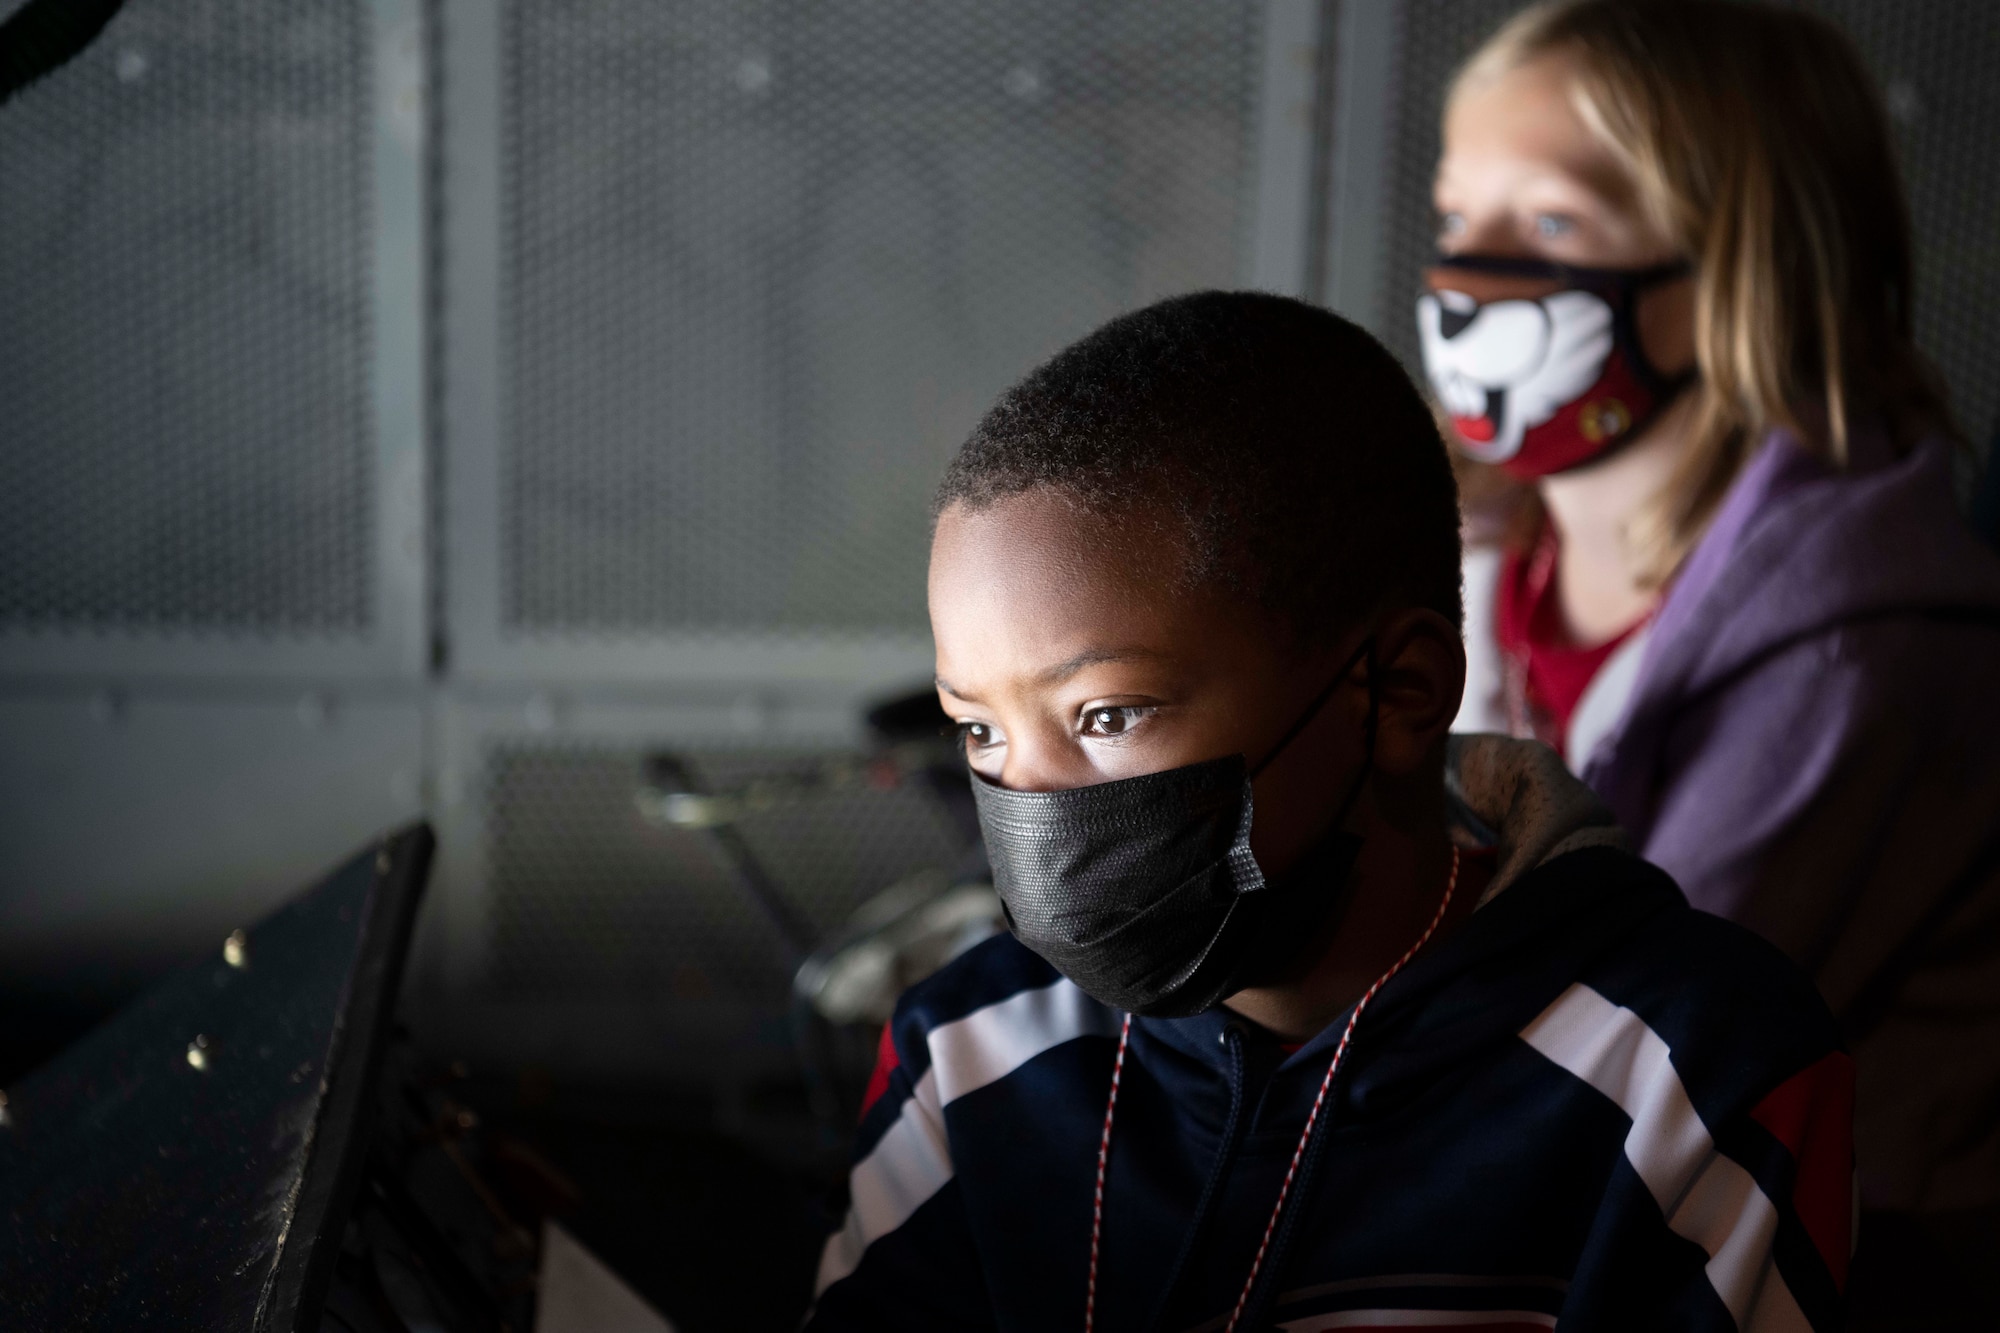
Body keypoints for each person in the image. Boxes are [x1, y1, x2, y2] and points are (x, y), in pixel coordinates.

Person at [805, 292, 1851, 1331]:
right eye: (978, 730)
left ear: (1396, 692)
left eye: (1107, 713)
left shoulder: (1690, 1069)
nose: (1028, 808)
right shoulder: (964, 1046)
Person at [1424, 0, 2000, 1301]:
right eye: (1459, 222)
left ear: (1740, 264)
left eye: (1551, 225)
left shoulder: (1862, 651)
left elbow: (1636, 1047)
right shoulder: (1468, 546)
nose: (1469, 277)